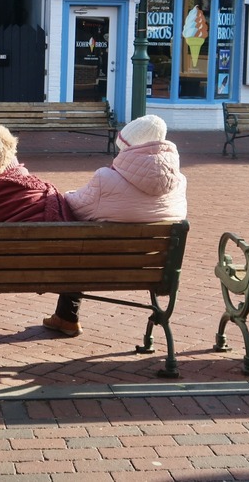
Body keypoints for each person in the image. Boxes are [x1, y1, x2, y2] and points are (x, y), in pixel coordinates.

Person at [43, 114, 188, 337]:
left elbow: (75, 207)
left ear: (127, 147)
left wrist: (70, 193)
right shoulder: (179, 182)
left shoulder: (105, 178)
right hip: (153, 268)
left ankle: (67, 316)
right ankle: (65, 317)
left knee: (79, 247)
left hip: (103, 263)